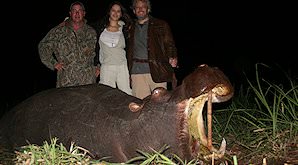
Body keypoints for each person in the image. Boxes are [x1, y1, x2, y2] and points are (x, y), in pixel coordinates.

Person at [38, 1, 98, 88]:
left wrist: (99, 67)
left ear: (84, 13)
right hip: (65, 81)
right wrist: (53, 63)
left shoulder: (92, 32)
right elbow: (43, 46)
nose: (77, 13)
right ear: (70, 13)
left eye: (80, 10)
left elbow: (100, 50)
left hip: (88, 80)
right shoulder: (59, 31)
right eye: (74, 10)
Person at [126, 0, 178, 99]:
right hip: (137, 72)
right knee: (141, 105)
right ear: (133, 10)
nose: (140, 9)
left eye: (143, 7)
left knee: (160, 104)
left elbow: (169, 43)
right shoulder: (129, 27)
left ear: (148, 9)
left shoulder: (161, 25)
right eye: (137, 7)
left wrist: (173, 56)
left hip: (158, 70)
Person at [93, 1, 132, 95]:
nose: (115, 13)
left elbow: (130, 48)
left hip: (122, 66)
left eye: (118, 11)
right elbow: (96, 48)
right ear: (109, 12)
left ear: (121, 14)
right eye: (113, 10)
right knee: (106, 95)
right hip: (106, 67)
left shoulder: (126, 29)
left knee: (126, 94)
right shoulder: (99, 28)